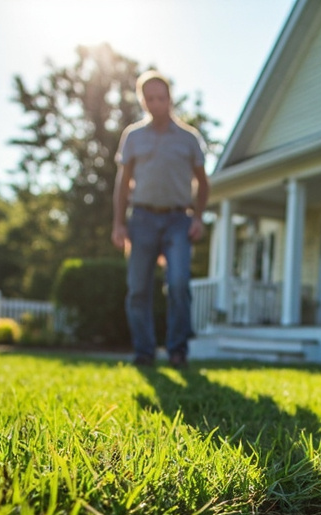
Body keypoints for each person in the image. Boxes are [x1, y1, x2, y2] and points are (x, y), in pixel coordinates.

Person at [113, 70, 210, 369]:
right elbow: (122, 181)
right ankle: (144, 352)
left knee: (179, 284)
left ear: (170, 98)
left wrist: (197, 217)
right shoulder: (133, 136)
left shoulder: (188, 138)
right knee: (138, 289)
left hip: (178, 220)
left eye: (161, 97)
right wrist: (118, 223)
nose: (156, 104)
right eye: (150, 98)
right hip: (141, 218)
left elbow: (203, 183)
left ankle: (177, 350)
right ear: (143, 101)